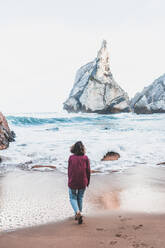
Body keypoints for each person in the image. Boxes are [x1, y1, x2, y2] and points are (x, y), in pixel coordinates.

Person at [68, 141, 90, 224]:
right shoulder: (85, 158)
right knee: (80, 197)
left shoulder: (71, 158)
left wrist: (69, 180)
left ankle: (77, 212)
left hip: (73, 181)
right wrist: (88, 182)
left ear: (74, 149)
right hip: (83, 181)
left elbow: (69, 170)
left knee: (72, 197)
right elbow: (88, 171)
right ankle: (79, 213)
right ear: (82, 149)